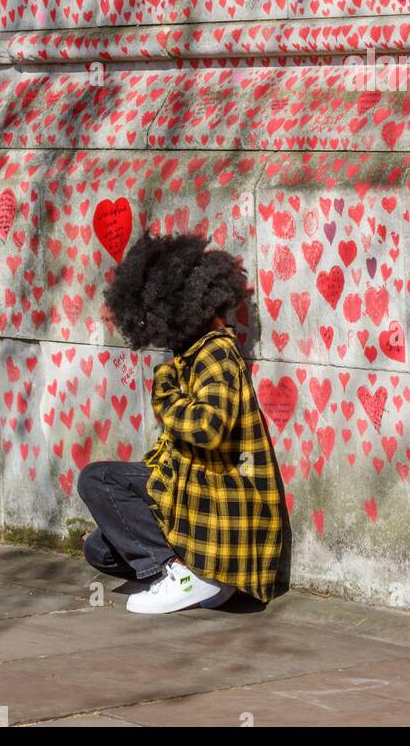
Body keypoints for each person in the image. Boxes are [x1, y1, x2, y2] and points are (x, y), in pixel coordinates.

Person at [77, 231, 283, 615]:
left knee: (97, 479)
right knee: (99, 549)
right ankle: (193, 573)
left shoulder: (215, 353)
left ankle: (182, 572)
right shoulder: (194, 354)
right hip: (195, 497)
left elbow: (207, 429)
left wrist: (166, 389)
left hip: (220, 507)